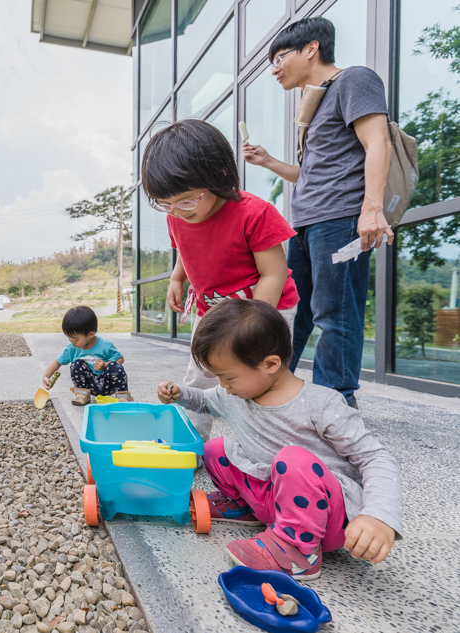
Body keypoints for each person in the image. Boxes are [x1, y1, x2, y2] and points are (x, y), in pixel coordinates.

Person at [157, 300, 402, 580]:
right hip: (273, 497)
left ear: (270, 364)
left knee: (291, 458)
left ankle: (297, 552)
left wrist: (379, 516)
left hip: (327, 517)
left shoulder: (321, 405)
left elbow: (375, 457)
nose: (223, 386)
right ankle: (244, 508)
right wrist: (179, 394)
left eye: (228, 377)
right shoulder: (234, 394)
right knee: (214, 449)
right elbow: (203, 400)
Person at [243, 17, 393, 409]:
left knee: (335, 313)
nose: (274, 69)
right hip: (306, 225)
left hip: (341, 219)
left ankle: (336, 405)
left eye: (279, 57)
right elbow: (310, 174)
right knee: (296, 313)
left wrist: (371, 209)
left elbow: (377, 142)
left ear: (311, 48)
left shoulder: (354, 80)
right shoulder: (317, 102)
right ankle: (281, 396)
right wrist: (269, 161)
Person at [141, 119, 299, 440]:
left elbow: (273, 273)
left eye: (187, 200)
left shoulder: (255, 214)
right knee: (201, 376)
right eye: (165, 204)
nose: (178, 212)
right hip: (211, 312)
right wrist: (177, 279)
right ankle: (188, 442)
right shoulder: (179, 216)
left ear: (220, 176)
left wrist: (253, 325)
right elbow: (186, 251)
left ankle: (267, 443)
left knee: (258, 380)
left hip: (266, 309)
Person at [41, 306, 132, 406]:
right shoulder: (72, 348)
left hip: (107, 384)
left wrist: (105, 365)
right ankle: (82, 394)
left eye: (76, 339)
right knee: (76, 364)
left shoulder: (106, 345)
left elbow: (120, 359)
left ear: (91, 334)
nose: (72, 342)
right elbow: (57, 362)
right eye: (69, 338)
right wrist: (46, 376)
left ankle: (122, 396)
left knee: (115, 366)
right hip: (88, 386)